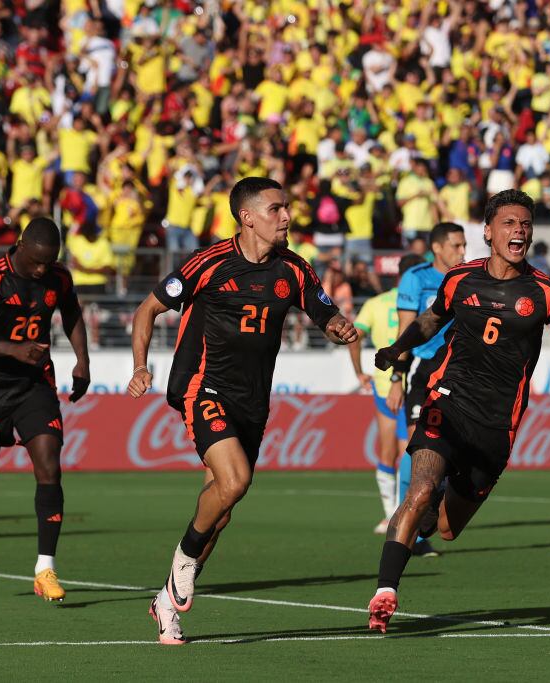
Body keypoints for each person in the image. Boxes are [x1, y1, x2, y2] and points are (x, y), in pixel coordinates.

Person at [126, 177, 357, 645]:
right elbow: (145, 311)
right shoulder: (208, 263)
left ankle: (167, 602)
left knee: (223, 506)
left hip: (254, 401)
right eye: (276, 209)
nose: (287, 217)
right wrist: (139, 367)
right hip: (201, 387)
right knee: (235, 482)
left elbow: (323, 312)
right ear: (247, 217)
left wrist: (338, 326)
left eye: (287, 207)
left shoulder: (295, 268)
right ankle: (183, 563)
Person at [367, 190, 550, 633]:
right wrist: (398, 349)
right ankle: (384, 592)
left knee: (445, 526)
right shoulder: (459, 279)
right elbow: (432, 320)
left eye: (525, 224)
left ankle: (423, 519)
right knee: (419, 489)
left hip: (496, 425)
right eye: (509, 223)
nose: (519, 231)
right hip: (447, 400)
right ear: (488, 232)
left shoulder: (546, 292)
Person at [0, 217, 91, 603]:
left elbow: (73, 313)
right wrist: (12, 350)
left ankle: (44, 568)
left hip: (35, 385)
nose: (42, 270)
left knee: (49, 465)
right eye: (37, 262)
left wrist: (82, 360)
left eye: (50, 262)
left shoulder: (58, 277)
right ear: (20, 246)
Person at [392, 222, 467, 557]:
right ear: (438, 248)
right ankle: (408, 534)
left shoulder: (468, 278)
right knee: (416, 449)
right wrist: (397, 376)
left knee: (453, 457)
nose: (462, 252)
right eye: (456, 246)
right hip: (423, 373)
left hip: (459, 374)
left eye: (465, 245)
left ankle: (426, 515)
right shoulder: (417, 278)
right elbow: (408, 328)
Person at [349, 254, 424, 534]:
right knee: (412, 451)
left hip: (385, 386)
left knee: (389, 451)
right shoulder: (422, 299)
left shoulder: (375, 304)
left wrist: (358, 371)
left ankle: (390, 515)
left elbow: (354, 336)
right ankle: (404, 516)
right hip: (413, 383)